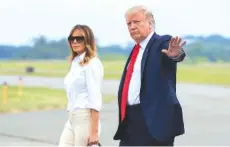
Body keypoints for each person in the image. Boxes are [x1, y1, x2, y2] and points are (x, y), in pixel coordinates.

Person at [113, 5, 186, 146]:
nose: (132, 26)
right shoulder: (136, 50)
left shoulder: (161, 42)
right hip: (130, 121)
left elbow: (176, 54)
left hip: (153, 122)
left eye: (136, 22)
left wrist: (176, 54)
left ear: (150, 24)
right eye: (129, 23)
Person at [58, 24, 103, 147]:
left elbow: (95, 99)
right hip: (72, 117)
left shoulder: (92, 63)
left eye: (80, 38)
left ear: (88, 40)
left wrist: (94, 132)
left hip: (85, 117)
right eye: (72, 39)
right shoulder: (76, 62)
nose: (75, 42)